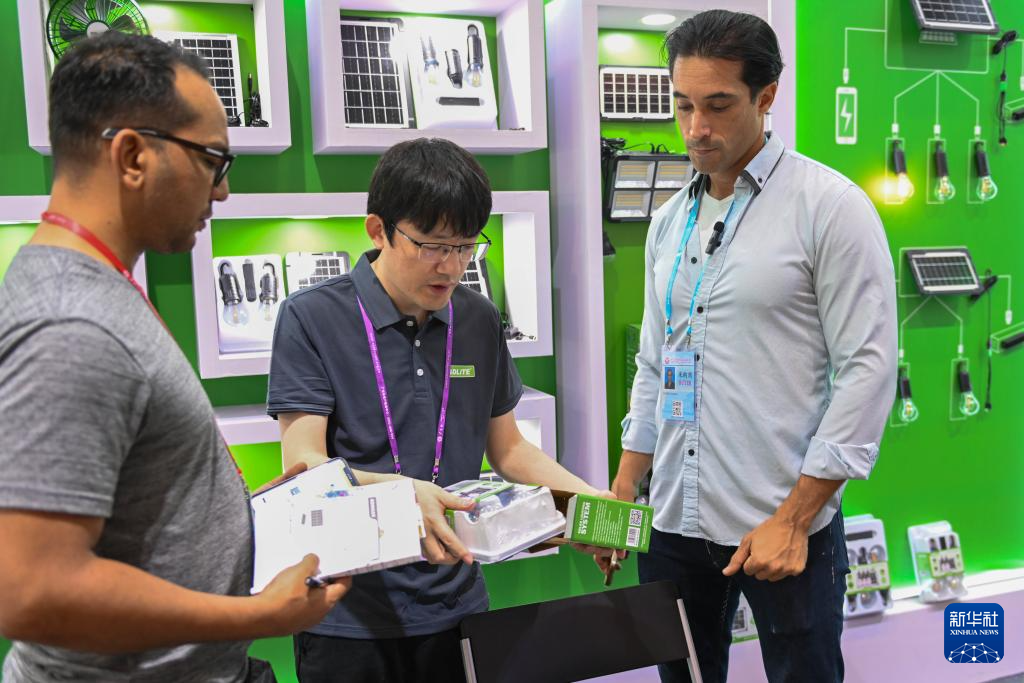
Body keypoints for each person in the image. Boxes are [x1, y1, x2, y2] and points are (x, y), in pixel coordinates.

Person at [0, 32, 347, 683]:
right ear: (132, 155)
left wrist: (235, 511)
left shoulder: (92, 288)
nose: (223, 191)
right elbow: (33, 590)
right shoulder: (73, 324)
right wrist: (257, 615)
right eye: (212, 160)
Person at [612, 10, 897, 683]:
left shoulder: (829, 207)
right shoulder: (669, 221)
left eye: (718, 106)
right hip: (674, 518)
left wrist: (796, 518)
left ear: (766, 96)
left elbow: (868, 368)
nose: (695, 129)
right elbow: (658, 362)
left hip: (782, 520)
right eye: (683, 105)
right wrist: (625, 488)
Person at [267, 137, 608, 682]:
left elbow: (510, 449)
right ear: (378, 230)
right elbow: (304, 466)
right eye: (432, 246)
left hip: (458, 602)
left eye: (466, 247)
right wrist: (401, 491)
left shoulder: (478, 317)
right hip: (349, 613)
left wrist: (585, 498)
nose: (451, 267)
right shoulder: (311, 317)